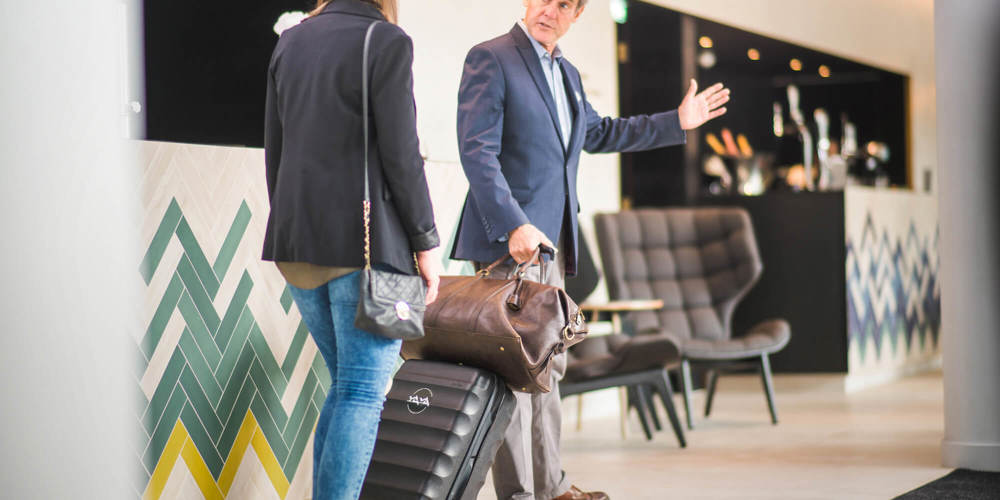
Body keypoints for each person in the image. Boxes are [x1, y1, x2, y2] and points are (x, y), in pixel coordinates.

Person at [452, 1, 730, 498]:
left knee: (545, 369)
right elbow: (477, 151)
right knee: (512, 373)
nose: (550, 10)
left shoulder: (568, 74)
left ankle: (552, 488)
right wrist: (514, 223)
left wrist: (677, 122)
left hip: (552, 249)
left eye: (565, 4)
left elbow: (599, 133)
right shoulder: (491, 58)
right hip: (509, 246)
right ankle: (520, 495)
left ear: (576, 15)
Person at [261, 0, 441, 498]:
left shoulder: (291, 40)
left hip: (295, 246)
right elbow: (402, 154)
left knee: (346, 385)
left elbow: (275, 147)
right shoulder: (386, 40)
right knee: (363, 391)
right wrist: (426, 242)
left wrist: (292, 224)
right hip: (365, 246)